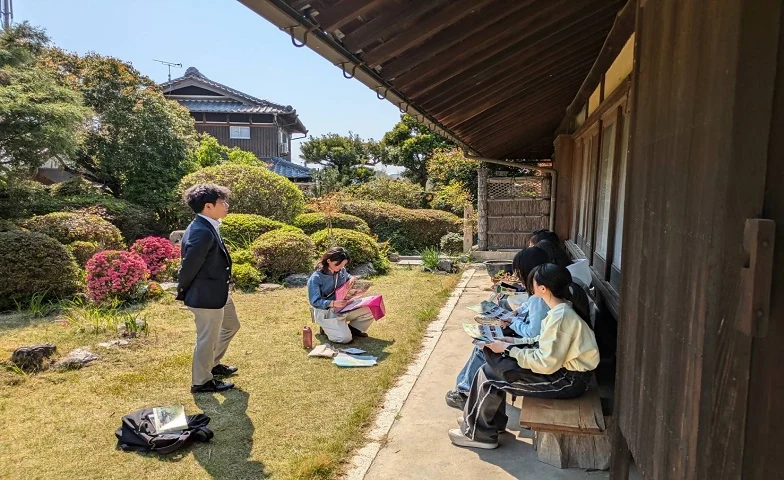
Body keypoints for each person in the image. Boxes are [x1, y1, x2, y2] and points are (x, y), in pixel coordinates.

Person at [448, 263, 599, 449]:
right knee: (491, 368)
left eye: (533, 284)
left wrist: (510, 350)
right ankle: (488, 423)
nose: (530, 287)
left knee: (490, 375)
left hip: (567, 381)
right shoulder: (561, 309)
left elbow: (545, 363)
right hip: (563, 372)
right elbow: (542, 341)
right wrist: (511, 343)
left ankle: (479, 435)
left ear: (543, 288)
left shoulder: (561, 317)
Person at [445, 247, 550, 410]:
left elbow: (533, 333)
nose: (518, 278)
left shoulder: (540, 298)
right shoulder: (543, 290)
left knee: (484, 347)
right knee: (486, 341)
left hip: (535, 349)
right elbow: (528, 307)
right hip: (538, 344)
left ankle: (465, 393)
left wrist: (512, 322)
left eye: (520, 273)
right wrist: (516, 314)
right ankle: (465, 389)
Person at [177, 184, 240, 394]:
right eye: (222, 202)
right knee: (207, 338)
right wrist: (183, 291)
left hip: (217, 291)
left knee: (231, 325)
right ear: (208, 206)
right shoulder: (201, 231)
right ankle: (202, 381)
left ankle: (211, 364)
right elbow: (189, 266)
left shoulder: (208, 225)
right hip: (206, 295)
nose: (227, 206)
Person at [307, 247, 375, 344]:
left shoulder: (341, 270)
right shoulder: (316, 278)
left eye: (343, 265)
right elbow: (315, 301)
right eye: (338, 264)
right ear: (329, 261)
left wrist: (352, 278)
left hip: (343, 307)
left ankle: (354, 329)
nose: (341, 267)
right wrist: (333, 303)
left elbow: (348, 276)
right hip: (326, 312)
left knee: (371, 307)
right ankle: (326, 329)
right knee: (345, 339)